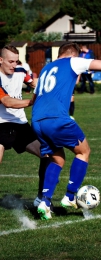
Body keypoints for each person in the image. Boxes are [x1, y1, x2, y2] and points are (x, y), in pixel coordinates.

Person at [31, 42, 101, 220]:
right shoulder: (73, 62)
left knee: (57, 159)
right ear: (73, 55)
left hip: (37, 120)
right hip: (57, 118)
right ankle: (69, 196)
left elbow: (36, 96)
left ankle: (45, 201)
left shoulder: (46, 68)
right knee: (84, 152)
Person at [0, 45, 50, 205]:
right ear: (1, 60)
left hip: (21, 126)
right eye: (10, 61)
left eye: (16, 61)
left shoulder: (21, 71)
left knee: (47, 154)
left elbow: (34, 83)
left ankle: (41, 198)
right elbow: (7, 102)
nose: (14, 65)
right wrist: (32, 101)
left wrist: (46, 88)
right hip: (1, 125)